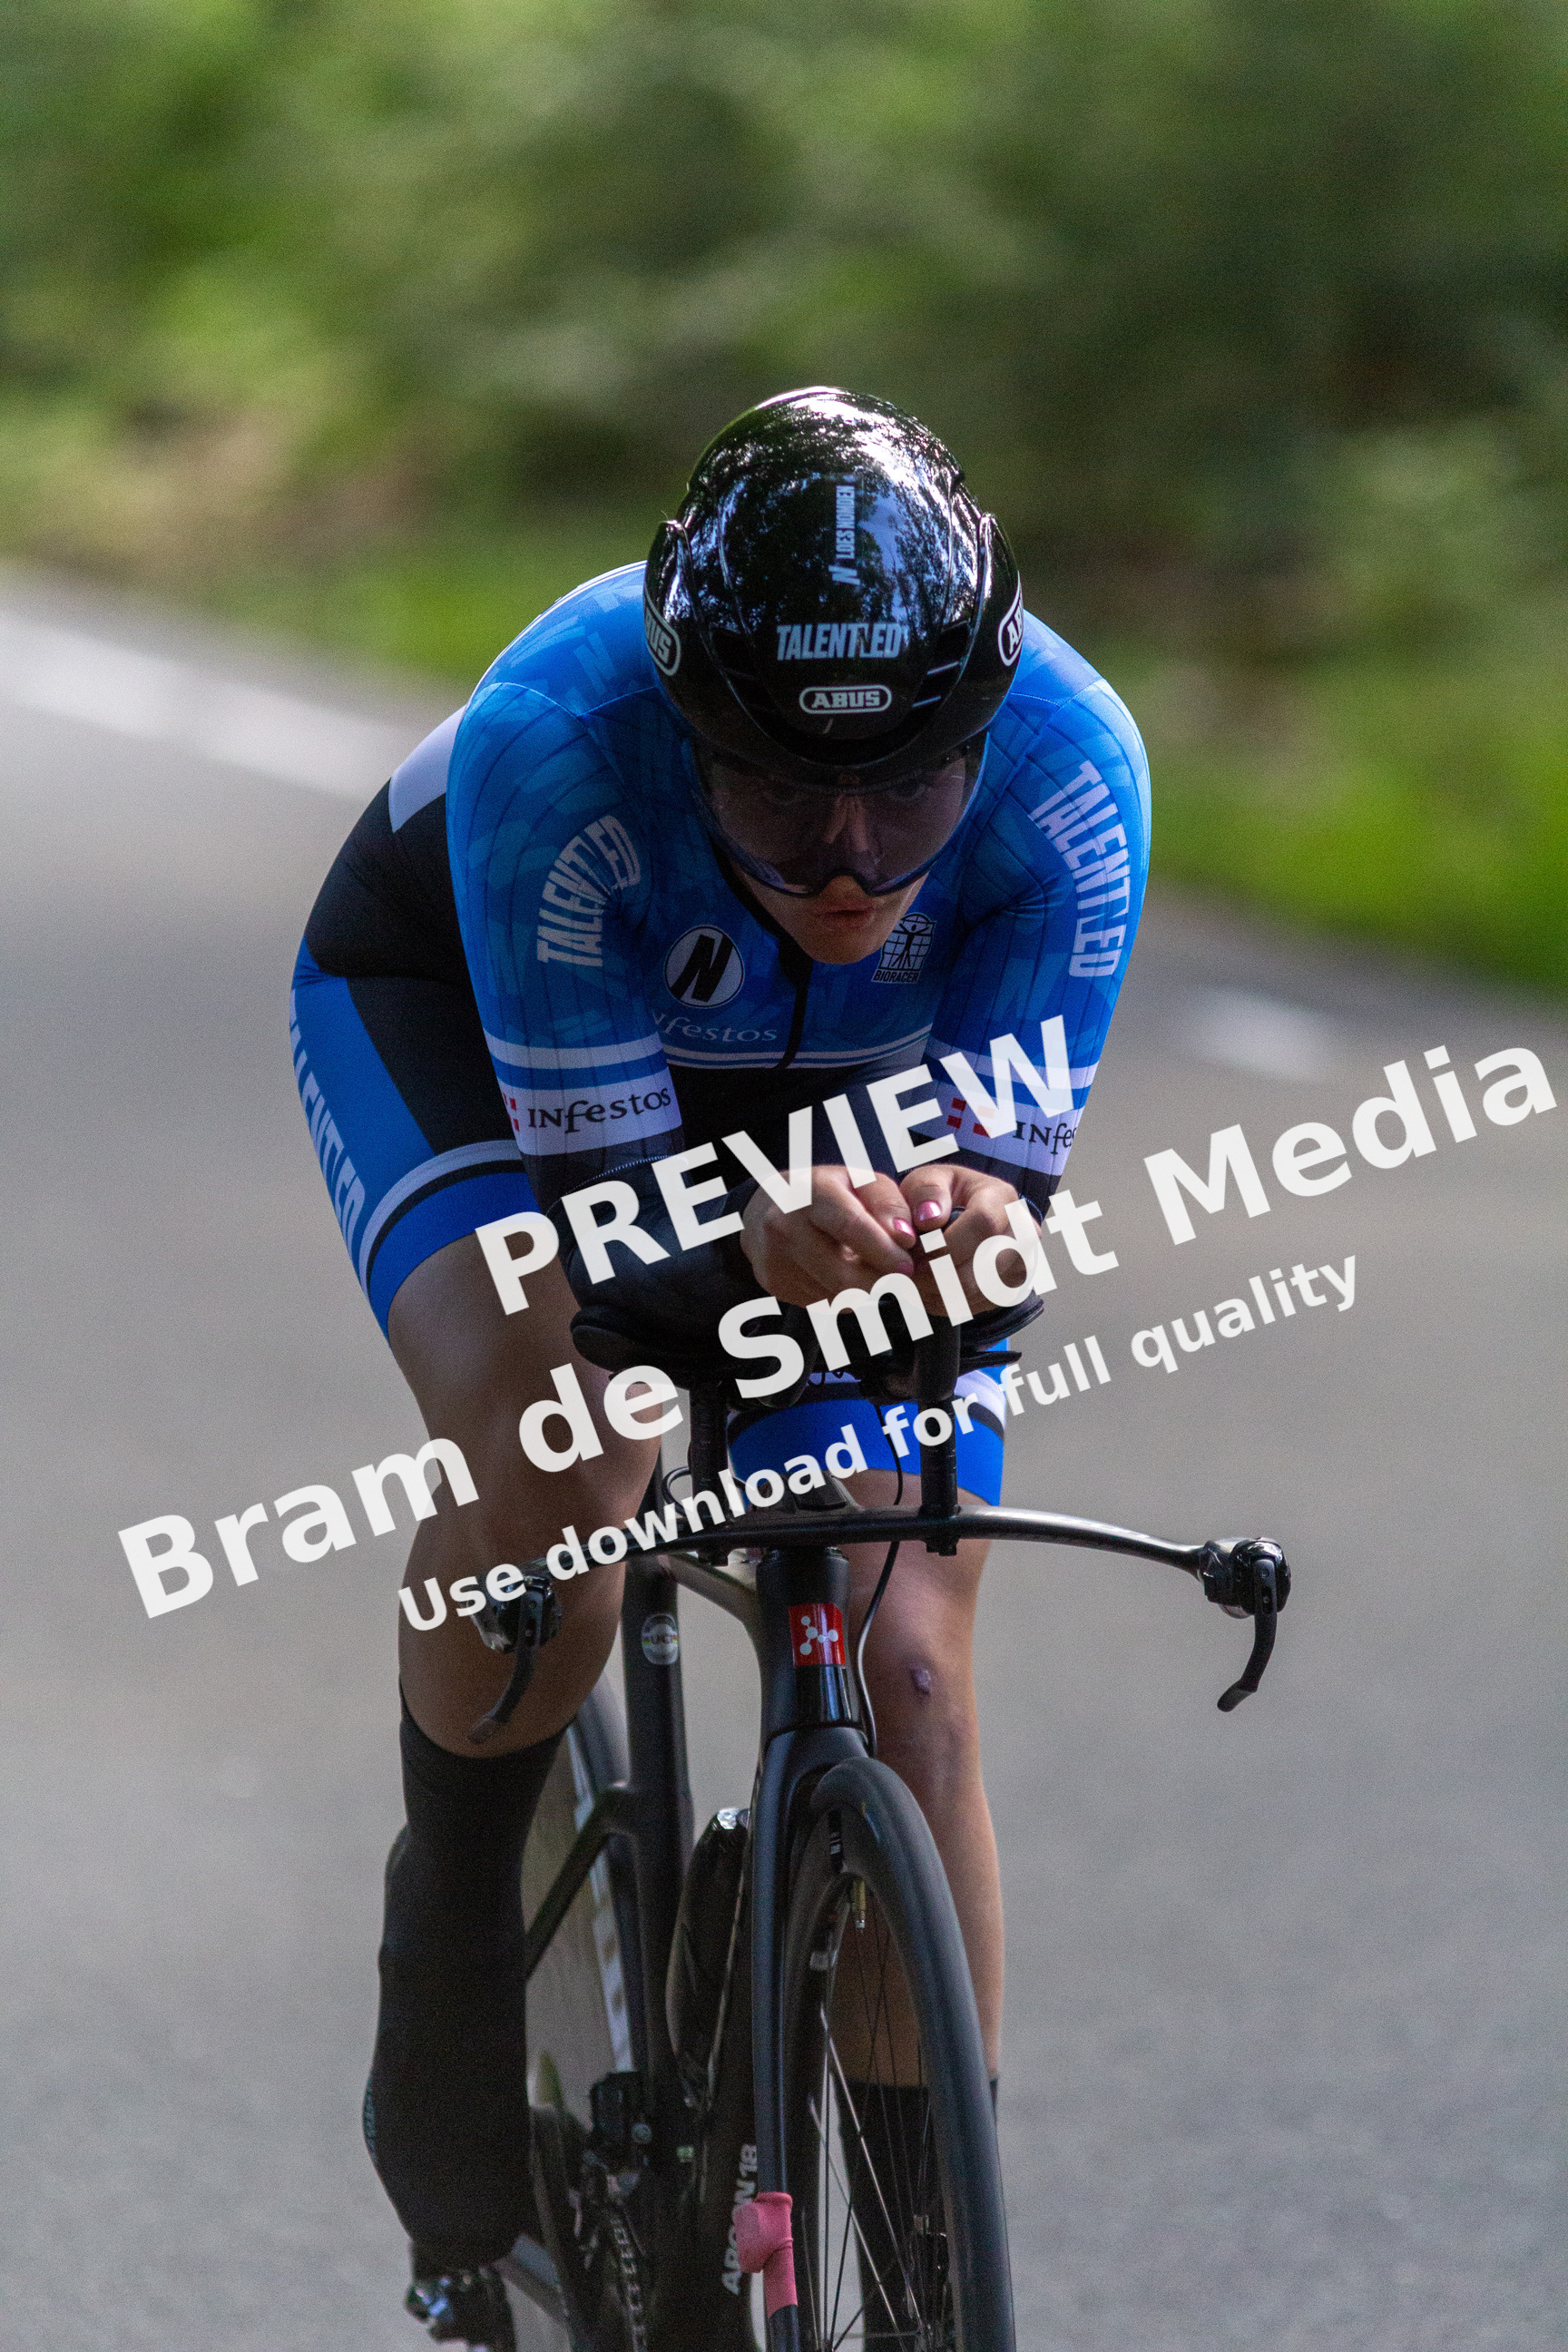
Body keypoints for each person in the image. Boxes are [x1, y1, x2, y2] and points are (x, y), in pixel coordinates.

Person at [289, 386, 1149, 2342]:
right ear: (691, 735)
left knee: (909, 1652)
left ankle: (931, 2272)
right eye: (775, 792)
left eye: (906, 791)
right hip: (476, 1025)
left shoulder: (1075, 770)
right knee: (568, 1450)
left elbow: (990, 1218)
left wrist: (974, 1222)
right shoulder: (555, 744)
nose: (847, 857)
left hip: (842, 1084)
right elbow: (613, 1248)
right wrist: (737, 1241)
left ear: (983, 726)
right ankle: (451, 1939)